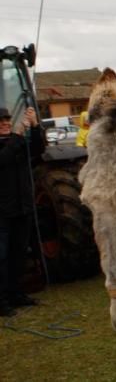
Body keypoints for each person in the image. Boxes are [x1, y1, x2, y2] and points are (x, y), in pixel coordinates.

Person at [0, 106, 44, 316]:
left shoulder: (16, 143)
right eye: (1, 121)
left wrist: (34, 126)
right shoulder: (11, 144)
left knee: (18, 253)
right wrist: (17, 136)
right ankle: (1, 301)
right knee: (2, 256)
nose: (6, 123)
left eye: (7, 119)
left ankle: (17, 293)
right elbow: (3, 160)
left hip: (22, 208)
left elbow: (37, 149)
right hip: (2, 212)